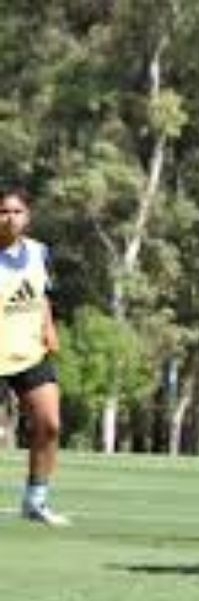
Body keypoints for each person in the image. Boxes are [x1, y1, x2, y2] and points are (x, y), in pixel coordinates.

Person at [0, 187, 70, 526]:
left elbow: (43, 294)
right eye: (3, 211)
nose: (9, 218)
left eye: (16, 212)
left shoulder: (40, 252)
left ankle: (35, 501)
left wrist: (48, 327)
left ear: (27, 217)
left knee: (50, 425)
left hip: (29, 353)